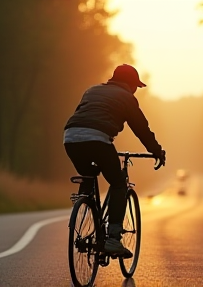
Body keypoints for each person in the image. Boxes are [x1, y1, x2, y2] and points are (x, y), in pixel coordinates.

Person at [63, 64, 166, 258]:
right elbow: (141, 129)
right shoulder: (127, 98)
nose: (136, 90)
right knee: (118, 183)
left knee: (89, 174)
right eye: (136, 85)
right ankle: (112, 238)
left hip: (70, 137)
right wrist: (156, 151)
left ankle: (84, 199)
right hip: (98, 139)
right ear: (130, 84)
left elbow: (84, 115)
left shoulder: (92, 90)